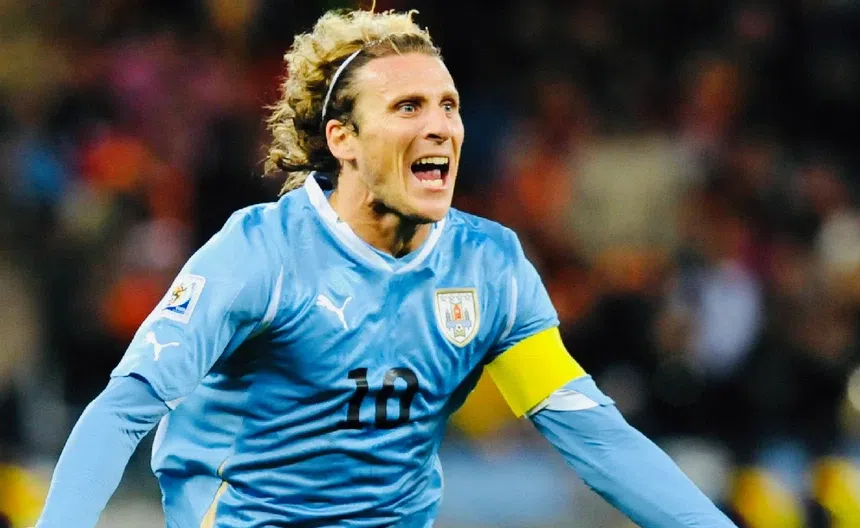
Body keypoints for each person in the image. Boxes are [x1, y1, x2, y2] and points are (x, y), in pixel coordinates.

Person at [35, 8, 737, 528]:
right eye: (408, 106)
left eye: (448, 106)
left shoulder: (487, 268)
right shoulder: (261, 255)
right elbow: (122, 412)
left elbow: (596, 438)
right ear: (342, 138)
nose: (440, 126)